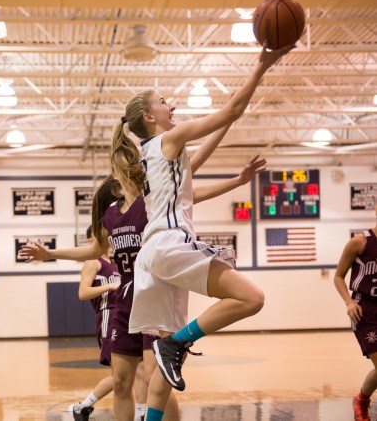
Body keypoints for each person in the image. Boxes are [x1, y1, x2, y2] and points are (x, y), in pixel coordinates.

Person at [112, 42, 294, 420]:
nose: (172, 105)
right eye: (164, 101)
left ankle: (167, 366)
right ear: (149, 116)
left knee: (162, 369)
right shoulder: (168, 139)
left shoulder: (152, 153)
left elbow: (193, 179)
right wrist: (262, 66)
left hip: (153, 256)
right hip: (169, 245)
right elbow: (232, 109)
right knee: (251, 298)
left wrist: (237, 178)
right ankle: (177, 344)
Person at [21, 160, 265, 421]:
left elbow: (192, 194)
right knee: (120, 381)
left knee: (153, 378)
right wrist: (50, 254)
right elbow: (94, 249)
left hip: (153, 293)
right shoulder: (111, 215)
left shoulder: (152, 204)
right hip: (125, 301)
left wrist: (238, 181)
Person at [66, 224, 120, 420]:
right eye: (102, 233)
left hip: (122, 317)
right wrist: (110, 287)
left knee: (130, 373)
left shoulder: (115, 262)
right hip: (108, 316)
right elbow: (83, 293)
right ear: (91, 241)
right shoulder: (93, 262)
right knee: (122, 374)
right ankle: (82, 406)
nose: (107, 235)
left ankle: (82, 407)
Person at [334, 204, 377, 421]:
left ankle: (361, 399)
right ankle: (362, 401)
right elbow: (338, 276)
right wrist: (349, 302)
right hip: (364, 309)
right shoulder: (360, 242)